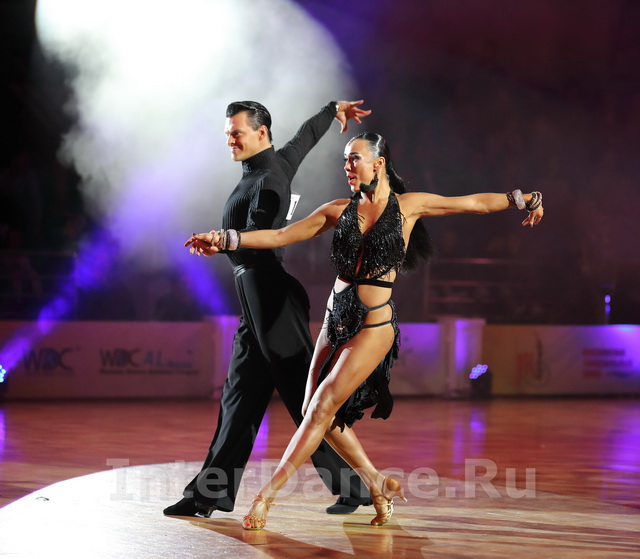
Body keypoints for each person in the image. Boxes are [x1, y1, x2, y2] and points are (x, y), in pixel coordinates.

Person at [186, 131, 545, 530]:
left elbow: (473, 203)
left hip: (374, 325)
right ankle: (377, 483)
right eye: (344, 159)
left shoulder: (408, 206)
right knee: (312, 411)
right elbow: (282, 235)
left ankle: (265, 498)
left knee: (322, 406)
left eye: (354, 158)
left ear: (378, 163)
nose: (347, 166)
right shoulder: (337, 210)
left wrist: (523, 199)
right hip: (335, 318)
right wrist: (226, 239)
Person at [164, 99, 373, 518]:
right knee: (239, 397)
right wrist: (332, 111)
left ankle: (358, 485)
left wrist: (224, 240)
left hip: (271, 298)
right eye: (227, 133)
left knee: (305, 397)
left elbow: (262, 234)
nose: (230, 140)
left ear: (261, 132)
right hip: (256, 300)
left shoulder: (269, 181)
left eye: (236, 133)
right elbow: (304, 138)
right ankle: (208, 494)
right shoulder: (274, 164)